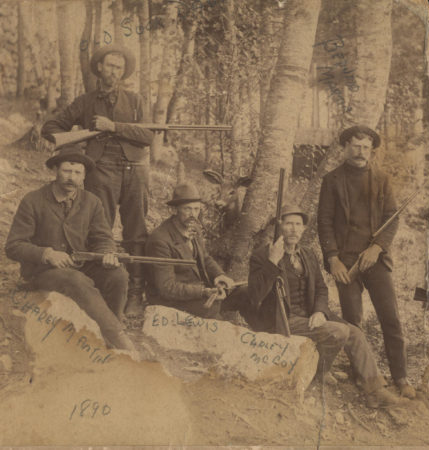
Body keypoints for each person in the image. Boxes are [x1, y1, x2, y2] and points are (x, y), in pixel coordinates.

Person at [248, 205, 402, 408]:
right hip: (282, 318)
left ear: (303, 229)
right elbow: (255, 295)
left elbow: (321, 288)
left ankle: (375, 390)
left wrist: (320, 311)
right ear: (280, 227)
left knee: (355, 333)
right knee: (338, 331)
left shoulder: (308, 254)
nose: (293, 229)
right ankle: (320, 371)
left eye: (298, 225)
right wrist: (272, 262)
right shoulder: (262, 255)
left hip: (310, 314)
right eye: (288, 224)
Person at [41, 44, 154, 315]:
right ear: (99, 68)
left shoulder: (137, 101)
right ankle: (99, 285)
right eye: (109, 65)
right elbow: (51, 129)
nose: (114, 71)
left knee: (136, 231)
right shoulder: (85, 102)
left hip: (135, 170)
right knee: (99, 228)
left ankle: (136, 293)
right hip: (100, 170)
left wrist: (113, 127)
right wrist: (77, 149)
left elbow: (149, 136)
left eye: (119, 67)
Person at [5, 145, 136, 351]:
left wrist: (107, 254)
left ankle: (109, 330)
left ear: (83, 176)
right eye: (66, 171)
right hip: (43, 272)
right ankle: (119, 339)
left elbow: (102, 237)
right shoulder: (33, 201)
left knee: (118, 275)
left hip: (82, 266)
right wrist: (47, 254)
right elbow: (13, 246)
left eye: (77, 173)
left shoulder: (92, 202)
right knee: (75, 279)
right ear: (55, 170)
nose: (71, 177)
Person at [317, 124, 415, 398]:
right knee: (353, 322)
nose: (361, 152)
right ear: (345, 147)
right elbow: (323, 223)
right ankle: (363, 375)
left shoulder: (382, 178)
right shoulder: (332, 180)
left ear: (371, 150)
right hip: (346, 264)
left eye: (366, 148)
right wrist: (333, 259)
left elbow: (392, 219)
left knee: (391, 319)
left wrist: (378, 248)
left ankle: (401, 377)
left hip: (375, 260)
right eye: (356, 146)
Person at [145, 183, 255, 322]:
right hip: (172, 300)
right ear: (174, 210)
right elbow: (167, 288)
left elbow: (205, 258)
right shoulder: (160, 240)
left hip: (201, 292)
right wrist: (203, 292)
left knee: (246, 292)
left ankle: (267, 335)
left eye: (196, 209)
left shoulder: (192, 228)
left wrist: (220, 275)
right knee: (213, 308)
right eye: (188, 209)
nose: (193, 214)